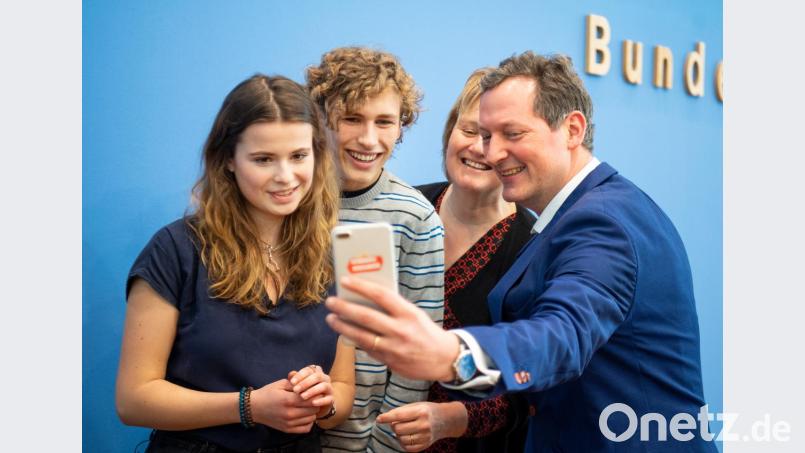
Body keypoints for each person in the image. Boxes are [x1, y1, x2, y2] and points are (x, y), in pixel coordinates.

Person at [324, 51, 718, 452]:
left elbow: (560, 337)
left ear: (572, 130)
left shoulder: (603, 221)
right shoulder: (579, 212)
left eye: (512, 134)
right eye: (486, 135)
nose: (492, 153)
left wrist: (451, 355)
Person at [116, 74, 355, 453]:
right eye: (263, 159)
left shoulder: (336, 254)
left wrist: (324, 402)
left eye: (298, 156)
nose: (285, 176)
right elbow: (134, 399)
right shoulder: (175, 250)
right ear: (227, 159)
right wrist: (249, 407)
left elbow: (341, 394)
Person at [374, 68, 534, 453]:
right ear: (449, 134)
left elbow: (526, 383)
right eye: (469, 131)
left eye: (494, 138)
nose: (479, 149)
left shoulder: (533, 247)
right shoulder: (399, 210)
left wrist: (449, 420)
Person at [305, 47, 445, 452]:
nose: (369, 139)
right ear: (320, 117)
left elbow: (416, 356)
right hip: (274, 430)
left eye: (385, 122)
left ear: (401, 126)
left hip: (360, 441)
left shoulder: (415, 218)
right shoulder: (285, 199)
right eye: (351, 118)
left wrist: (383, 447)